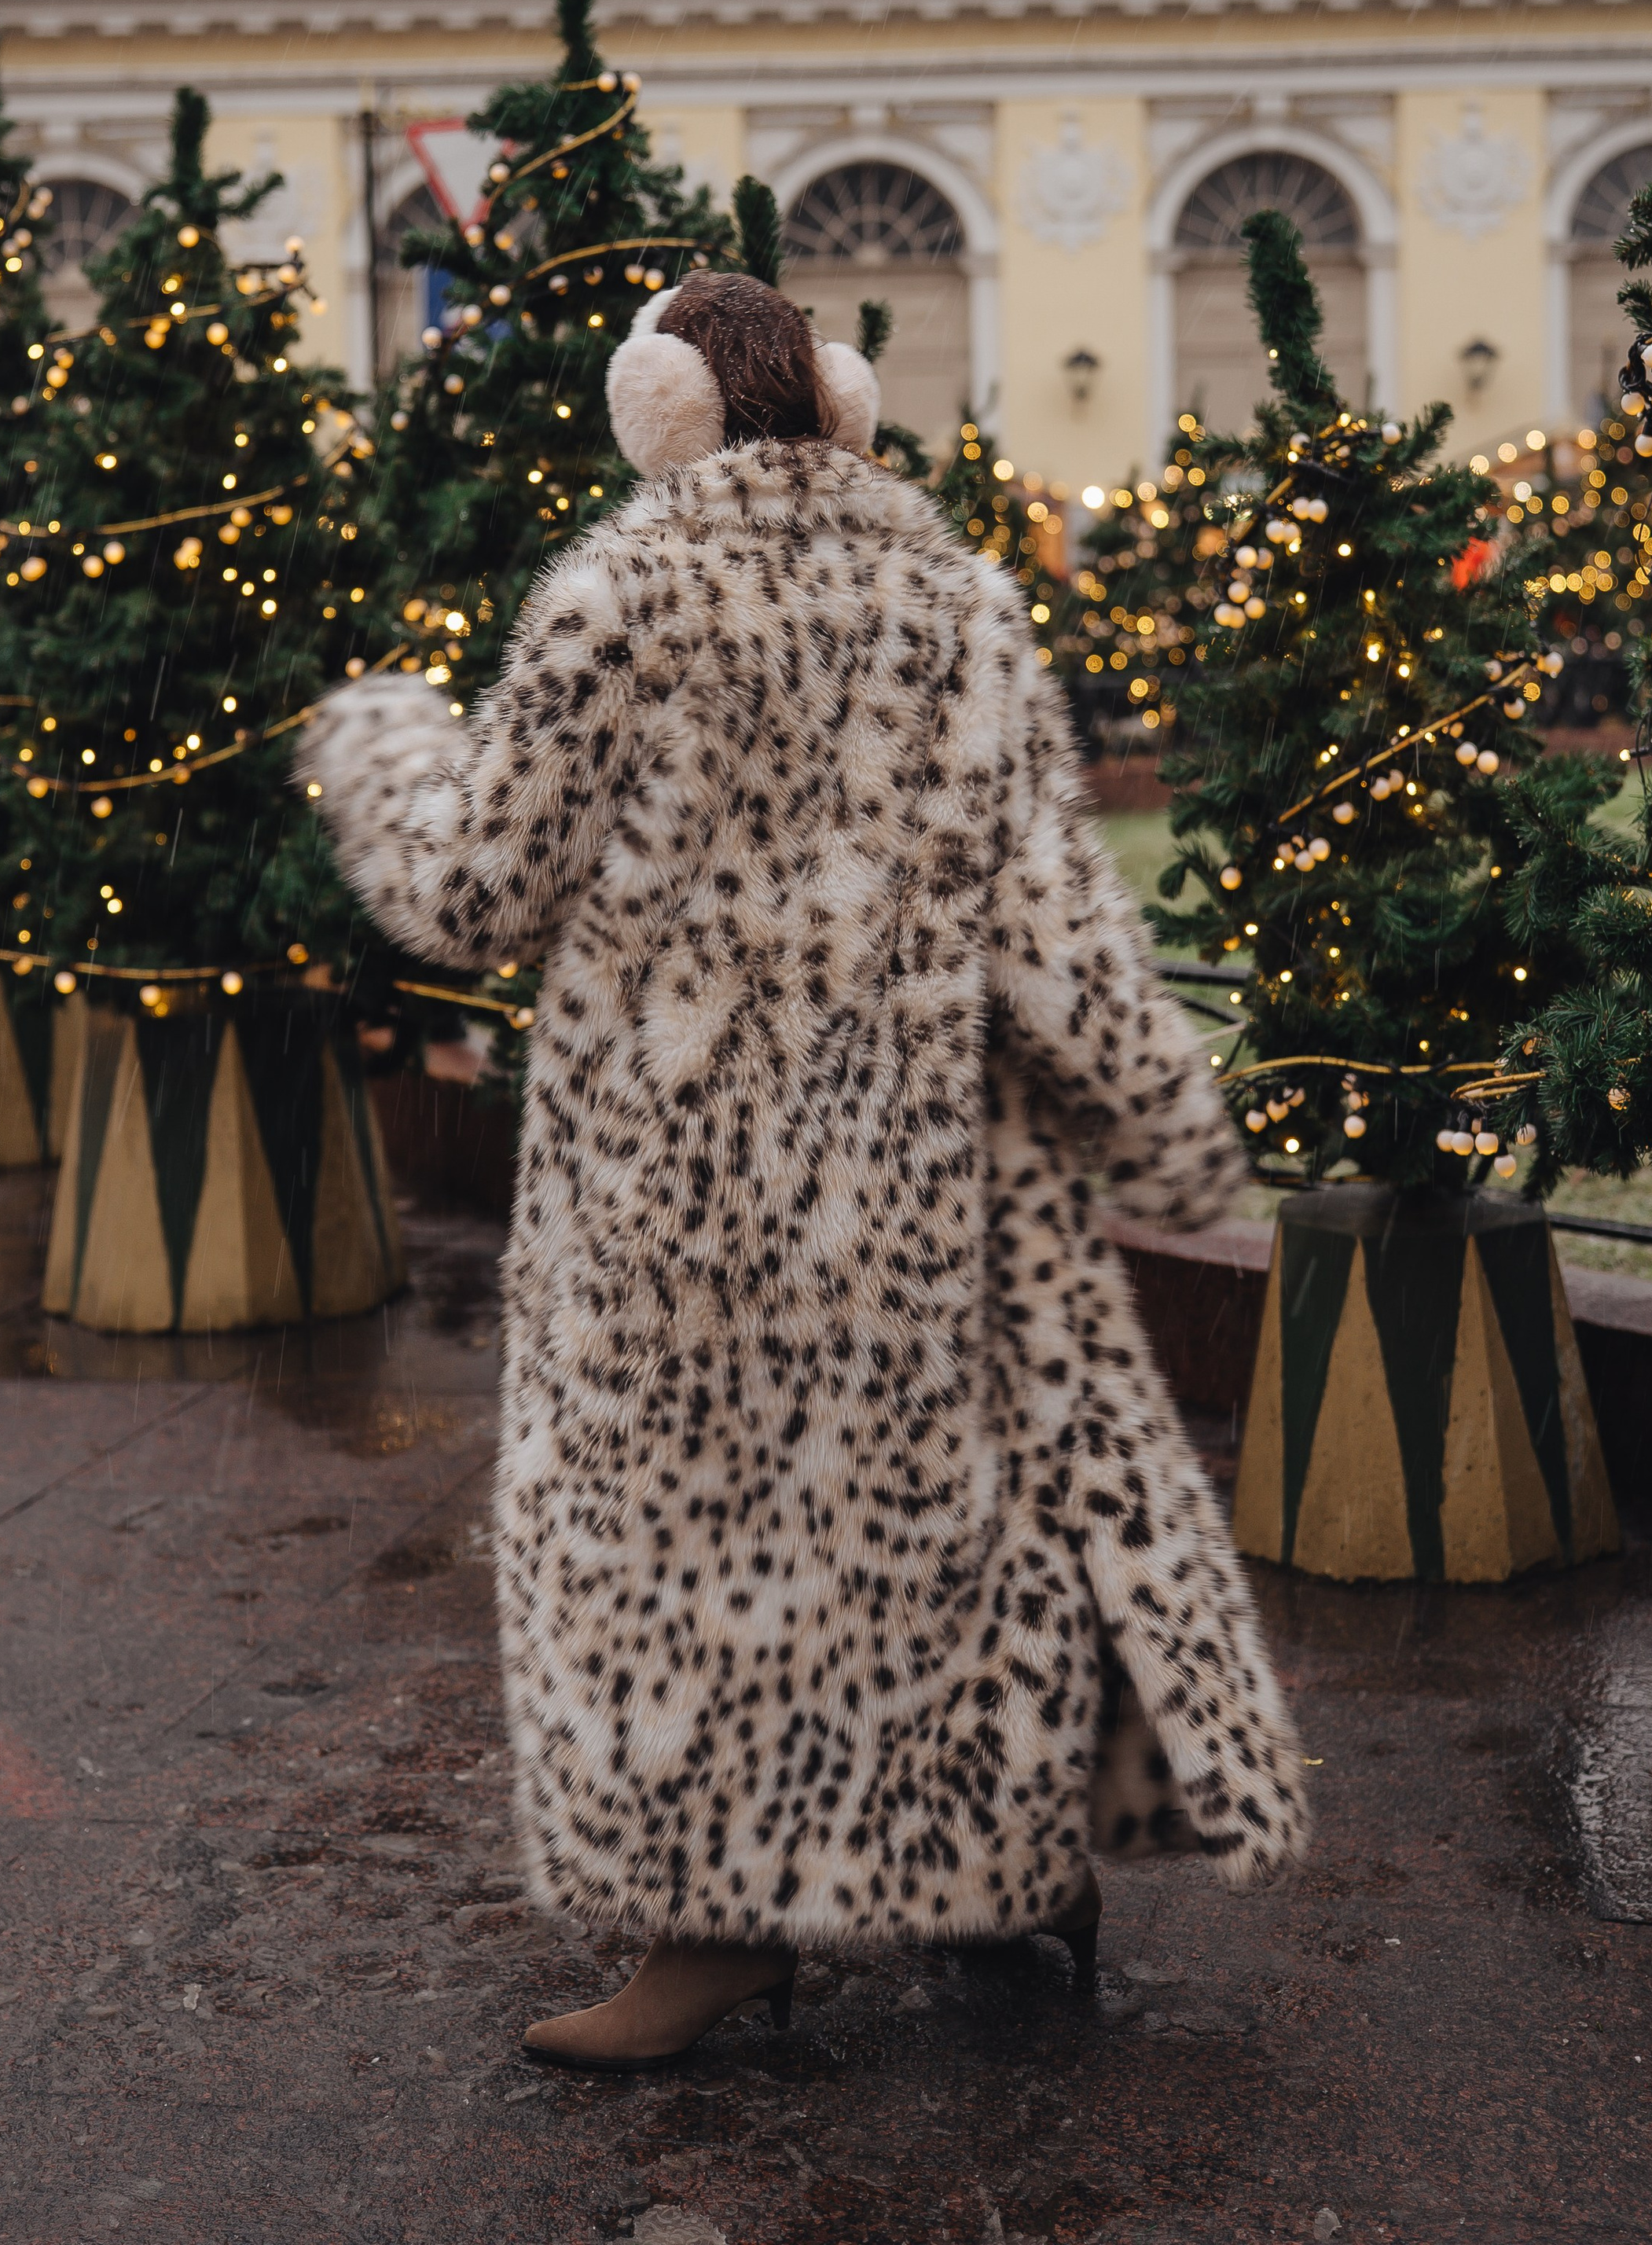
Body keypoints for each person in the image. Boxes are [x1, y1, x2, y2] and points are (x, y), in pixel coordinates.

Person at [299, 266, 1309, 2073]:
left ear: (656, 409)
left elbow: (474, 895)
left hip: (677, 1191)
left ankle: (715, 1932)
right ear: (839, 406)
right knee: (926, 1536)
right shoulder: (951, 599)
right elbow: (1058, 918)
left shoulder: (627, 593)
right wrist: (1162, 1121)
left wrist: (384, 749)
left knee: (691, 1550)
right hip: (919, 1178)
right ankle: (1006, 1872)